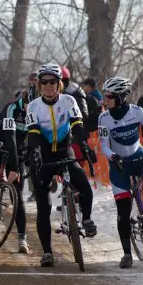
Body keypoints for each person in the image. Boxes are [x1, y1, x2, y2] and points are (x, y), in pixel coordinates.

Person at [98, 77, 143, 268]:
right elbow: (104, 147)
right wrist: (113, 157)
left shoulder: (137, 112)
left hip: (138, 156)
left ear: (121, 97)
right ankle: (127, 254)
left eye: (109, 96)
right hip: (119, 165)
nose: (104, 99)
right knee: (123, 212)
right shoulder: (104, 118)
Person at [27, 63, 96, 267]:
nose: (48, 85)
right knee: (43, 205)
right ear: (39, 85)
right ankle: (47, 252)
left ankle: (87, 219)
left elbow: (77, 124)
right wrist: (36, 151)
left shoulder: (69, 100)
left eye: (52, 81)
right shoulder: (34, 106)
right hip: (44, 154)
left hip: (64, 149)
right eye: (44, 82)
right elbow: (33, 133)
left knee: (83, 184)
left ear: (59, 84)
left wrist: (83, 143)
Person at [0, 89, 30, 253]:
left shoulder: (38, 112)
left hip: (17, 153)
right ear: (24, 102)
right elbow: (9, 136)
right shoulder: (11, 108)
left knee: (18, 196)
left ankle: (22, 239)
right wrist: (14, 167)